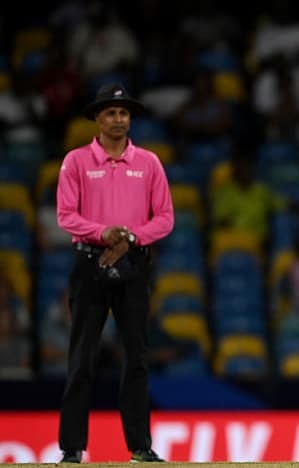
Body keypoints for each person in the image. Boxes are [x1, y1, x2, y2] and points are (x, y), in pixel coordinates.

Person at [55, 83, 174, 463]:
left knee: (137, 357)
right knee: (82, 357)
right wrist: (103, 233)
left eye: (123, 113)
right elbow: (66, 216)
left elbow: (166, 219)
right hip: (90, 262)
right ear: (96, 118)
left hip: (134, 264)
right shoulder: (75, 161)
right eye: (110, 112)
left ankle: (140, 445)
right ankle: (72, 448)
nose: (118, 119)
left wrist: (131, 238)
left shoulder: (149, 163)